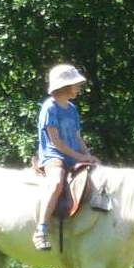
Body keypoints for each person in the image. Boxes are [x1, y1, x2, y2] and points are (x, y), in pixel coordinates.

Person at [34, 63, 99, 250]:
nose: (79, 88)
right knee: (56, 183)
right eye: (76, 85)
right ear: (65, 86)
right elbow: (56, 142)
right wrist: (79, 156)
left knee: (100, 176)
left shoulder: (72, 108)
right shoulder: (50, 108)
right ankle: (41, 229)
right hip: (54, 156)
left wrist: (88, 155)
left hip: (74, 155)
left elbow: (77, 137)